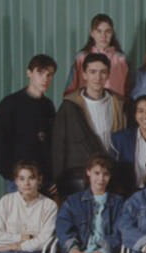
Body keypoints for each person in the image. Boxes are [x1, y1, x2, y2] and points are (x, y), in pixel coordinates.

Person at [52, 53, 126, 197]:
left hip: (111, 175)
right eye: (93, 72)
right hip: (80, 178)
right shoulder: (69, 106)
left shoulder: (119, 103)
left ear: (108, 75)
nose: (98, 77)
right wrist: (57, 179)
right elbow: (58, 146)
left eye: (102, 72)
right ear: (84, 74)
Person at [0, 54, 57, 194]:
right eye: (40, 73)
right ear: (29, 73)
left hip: (43, 182)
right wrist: (13, 175)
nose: (45, 79)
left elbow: (50, 145)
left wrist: (51, 177)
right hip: (19, 182)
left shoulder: (48, 106)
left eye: (49, 75)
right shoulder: (10, 104)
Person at [63, 14, 129, 97]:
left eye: (107, 31)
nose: (103, 36)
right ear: (92, 33)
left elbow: (129, 88)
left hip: (114, 104)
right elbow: (70, 89)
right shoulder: (81, 58)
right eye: (99, 31)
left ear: (112, 33)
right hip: (85, 103)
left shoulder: (121, 59)